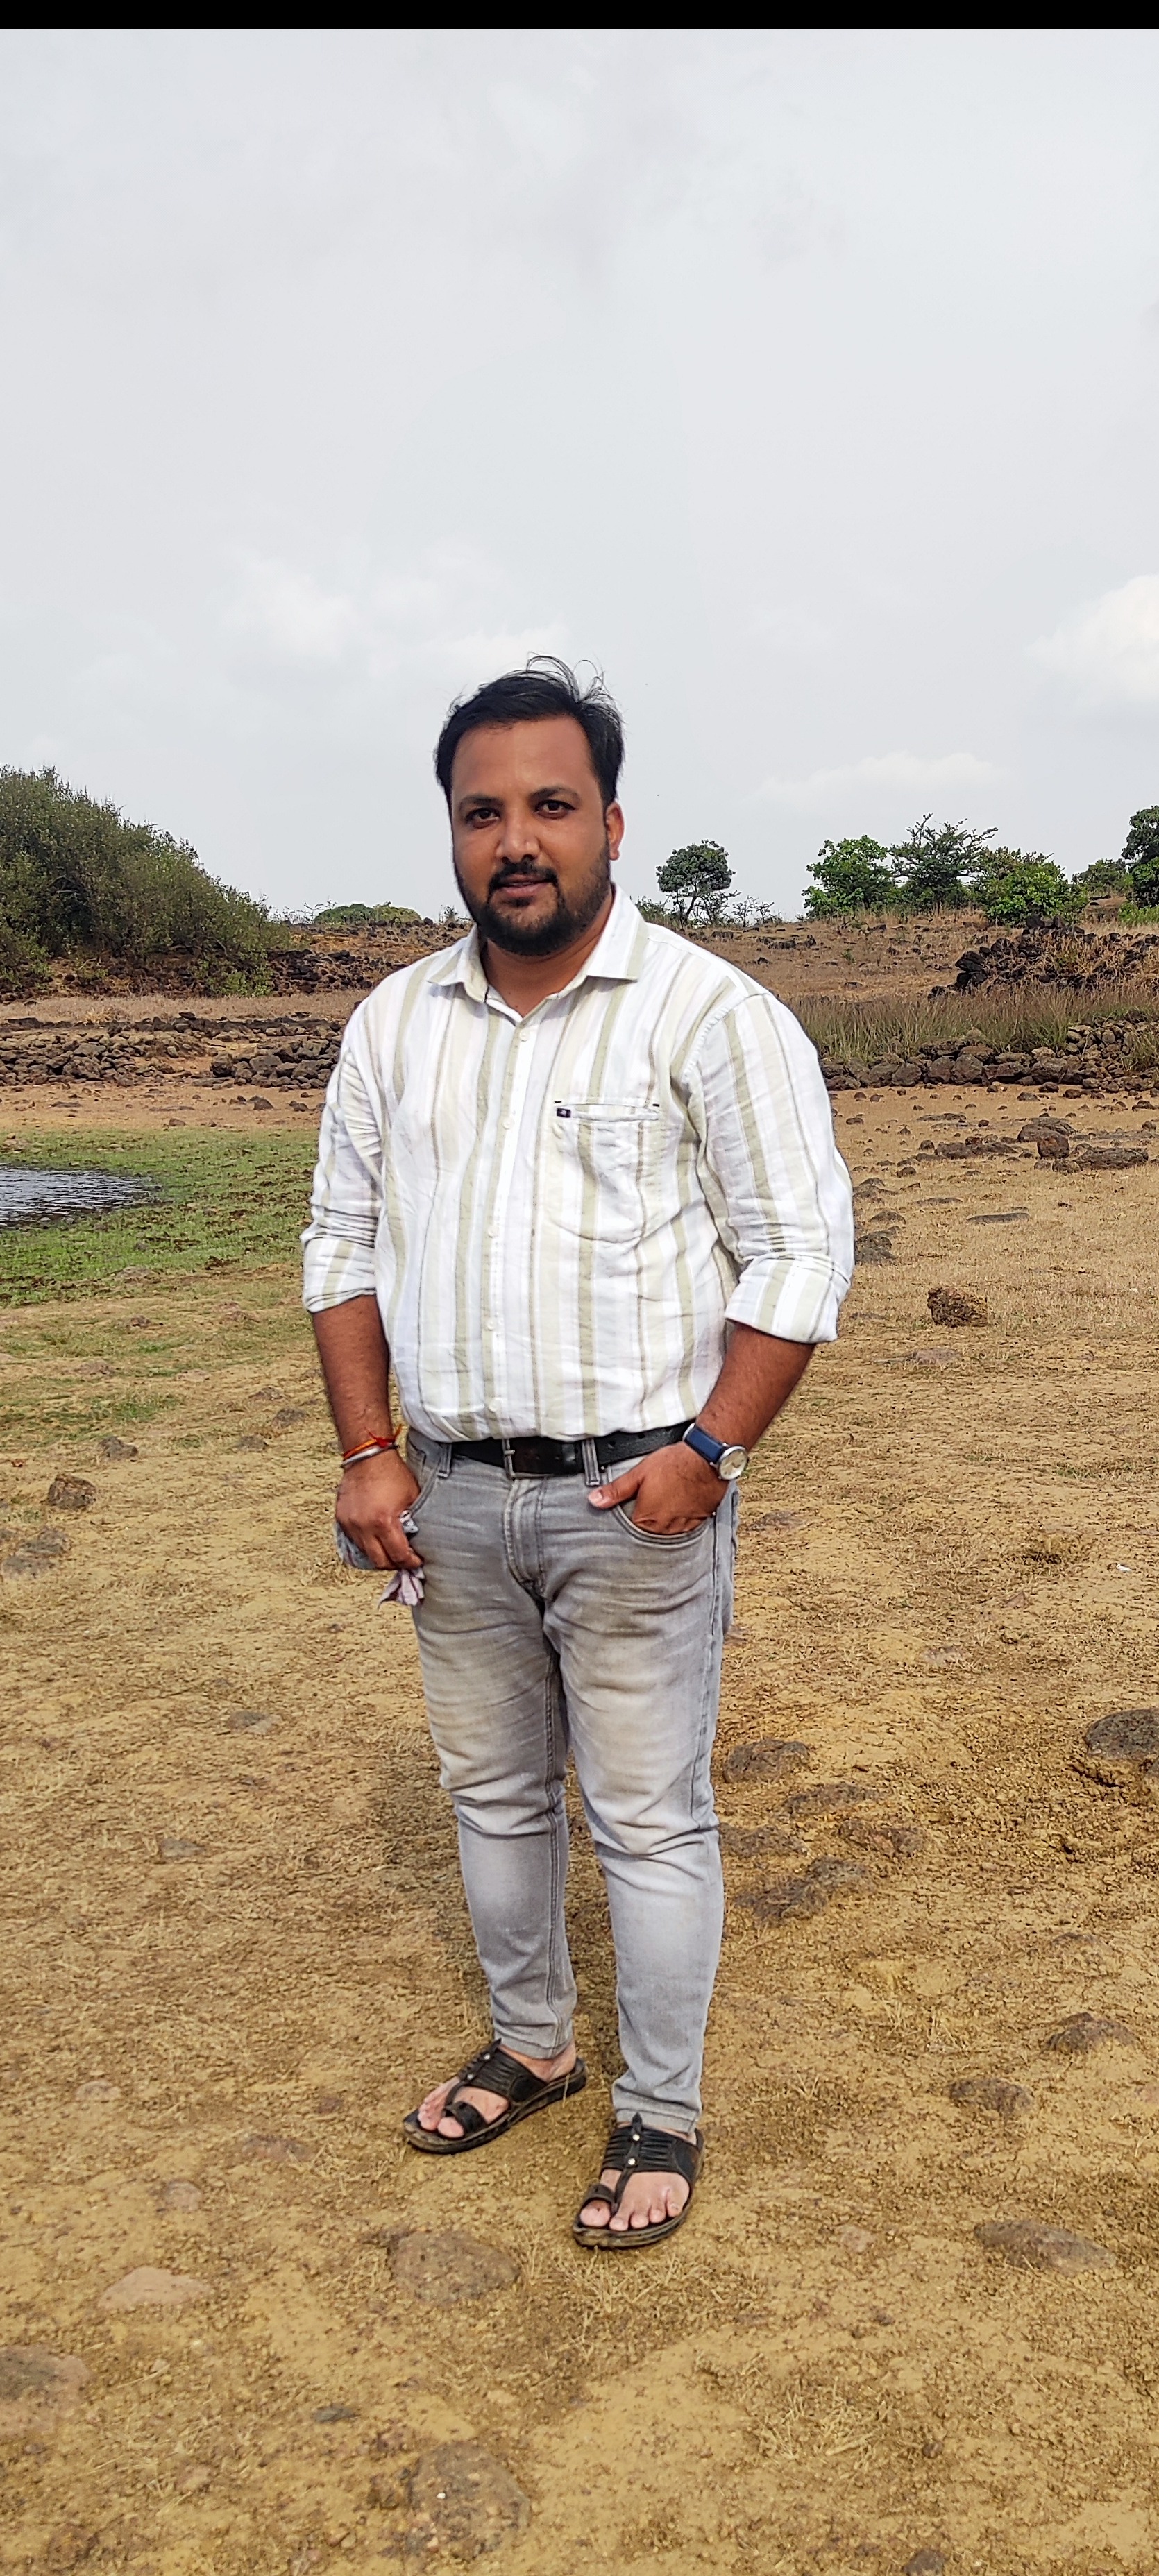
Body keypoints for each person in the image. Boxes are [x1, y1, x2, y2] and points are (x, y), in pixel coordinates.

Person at [303, 657, 853, 2249]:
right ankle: (535, 2044)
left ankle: (660, 2106)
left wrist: (710, 1451)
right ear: (452, 832)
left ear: (612, 823)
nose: (516, 839)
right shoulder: (394, 1025)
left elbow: (799, 1250)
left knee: (647, 1816)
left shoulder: (707, 1012)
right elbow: (340, 1246)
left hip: (636, 1499)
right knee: (491, 1795)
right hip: (451, 1495)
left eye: (551, 804)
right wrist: (368, 1450)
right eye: (483, 811)